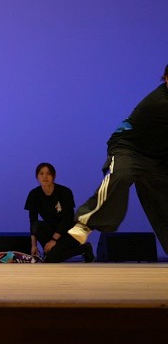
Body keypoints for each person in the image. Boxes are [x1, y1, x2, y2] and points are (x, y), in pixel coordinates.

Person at [64, 65, 168, 260]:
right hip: (127, 148)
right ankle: (85, 223)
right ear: (166, 79)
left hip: (157, 157)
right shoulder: (160, 102)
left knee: (163, 200)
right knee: (121, 175)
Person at [24, 162, 91, 262]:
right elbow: (32, 221)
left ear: (54, 176)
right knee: (37, 226)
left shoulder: (65, 192)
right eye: (41, 173)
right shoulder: (34, 194)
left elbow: (67, 218)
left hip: (70, 232)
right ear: (37, 177)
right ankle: (50, 252)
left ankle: (85, 248)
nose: (45, 176)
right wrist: (34, 245)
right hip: (51, 230)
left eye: (48, 173)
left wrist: (53, 240)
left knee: (51, 258)